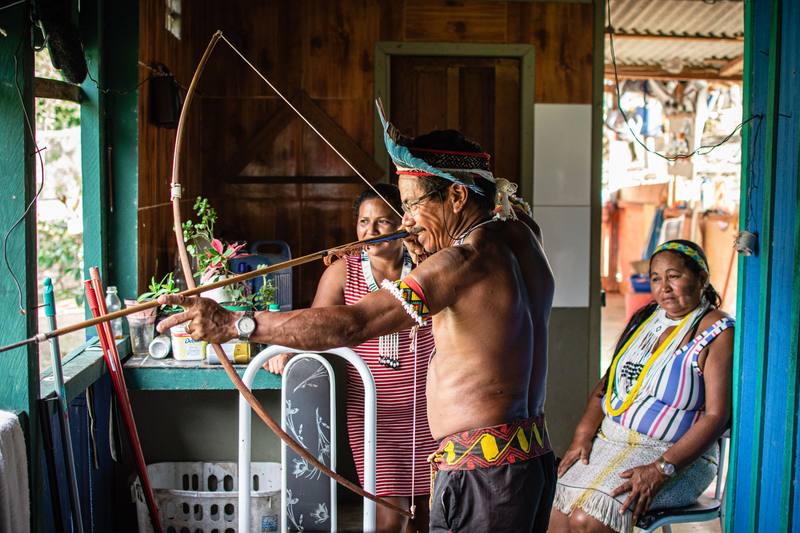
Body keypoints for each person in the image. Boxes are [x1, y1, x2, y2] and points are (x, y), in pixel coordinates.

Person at [158, 118, 556, 532]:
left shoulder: (460, 264)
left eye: (413, 205)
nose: (406, 222)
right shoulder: (523, 235)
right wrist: (426, 250)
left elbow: (352, 325)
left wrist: (235, 324)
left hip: (484, 477)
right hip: (530, 461)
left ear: (457, 195)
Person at [265, 183, 437, 533]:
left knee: (427, 516)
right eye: (362, 222)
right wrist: (287, 348)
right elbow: (317, 323)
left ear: (403, 222)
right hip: (375, 414)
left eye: (383, 223)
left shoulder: (428, 266)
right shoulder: (343, 272)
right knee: (389, 518)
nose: (370, 232)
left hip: (428, 412)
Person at [550, 240, 734, 533]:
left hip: (674, 457)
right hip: (611, 443)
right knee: (556, 512)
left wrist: (662, 469)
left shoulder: (717, 331)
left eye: (674, 276)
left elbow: (716, 417)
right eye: (656, 278)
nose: (664, 287)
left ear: (702, 278)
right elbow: (606, 385)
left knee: (590, 520)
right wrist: (582, 436)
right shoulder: (647, 319)